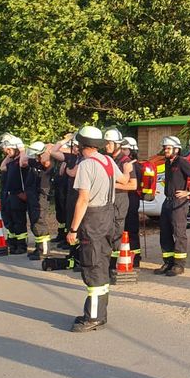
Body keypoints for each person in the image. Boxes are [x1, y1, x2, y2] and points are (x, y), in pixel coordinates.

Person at [66, 126, 130, 332]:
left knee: (92, 266)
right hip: (108, 216)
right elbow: (123, 180)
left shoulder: (86, 166)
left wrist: (73, 229)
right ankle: (99, 313)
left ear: (82, 145)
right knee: (102, 264)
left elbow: (83, 199)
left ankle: (92, 317)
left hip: (93, 218)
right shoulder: (108, 160)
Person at [154, 135, 190, 277]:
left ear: (176, 149)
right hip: (167, 201)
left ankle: (179, 265)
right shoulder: (168, 162)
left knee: (179, 233)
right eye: (165, 148)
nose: (165, 150)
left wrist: (188, 191)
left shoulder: (181, 162)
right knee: (165, 232)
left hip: (178, 203)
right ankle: (168, 262)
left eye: (168, 148)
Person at [104, 128, 135, 283]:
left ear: (117, 144)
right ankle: (107, 264)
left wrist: (112, 185)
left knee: (116, 233)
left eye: (109, 143)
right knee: (107, 231)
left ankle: (112, 267)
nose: (106, 145)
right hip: (109, 201)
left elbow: (133, 185)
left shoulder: (125, 162)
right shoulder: (109, 159)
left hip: (120, 202)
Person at [25, 141, 56, 260]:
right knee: (34, 223)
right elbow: (25, 159)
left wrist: (46, 151)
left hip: (41, 196)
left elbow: (46, 160)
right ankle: (39, 248)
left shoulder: (47, 163)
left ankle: (44, 250)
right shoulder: (36, 162)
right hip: (33, 196)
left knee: (40, 222)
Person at [0, 136, 29, 255]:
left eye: (9, 149)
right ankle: (12, 242)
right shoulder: (11, 161)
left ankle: (21, 245)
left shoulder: (21, 160)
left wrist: (21, 149)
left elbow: (24, 162)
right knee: (8, 219)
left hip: (18, 195)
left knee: (19, 221)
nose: (6, 152)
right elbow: (2, 167)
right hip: (8, 194)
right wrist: (8, 154)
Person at [119, 136, 143, 268]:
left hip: (132, 199)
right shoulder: (125, 164)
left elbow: (134, 184)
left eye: (125, 149)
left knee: (132, 229)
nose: (122, 151)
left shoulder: (134, 166)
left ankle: (136, 258)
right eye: (121, 148)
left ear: (132, 150)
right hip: (125, 199)